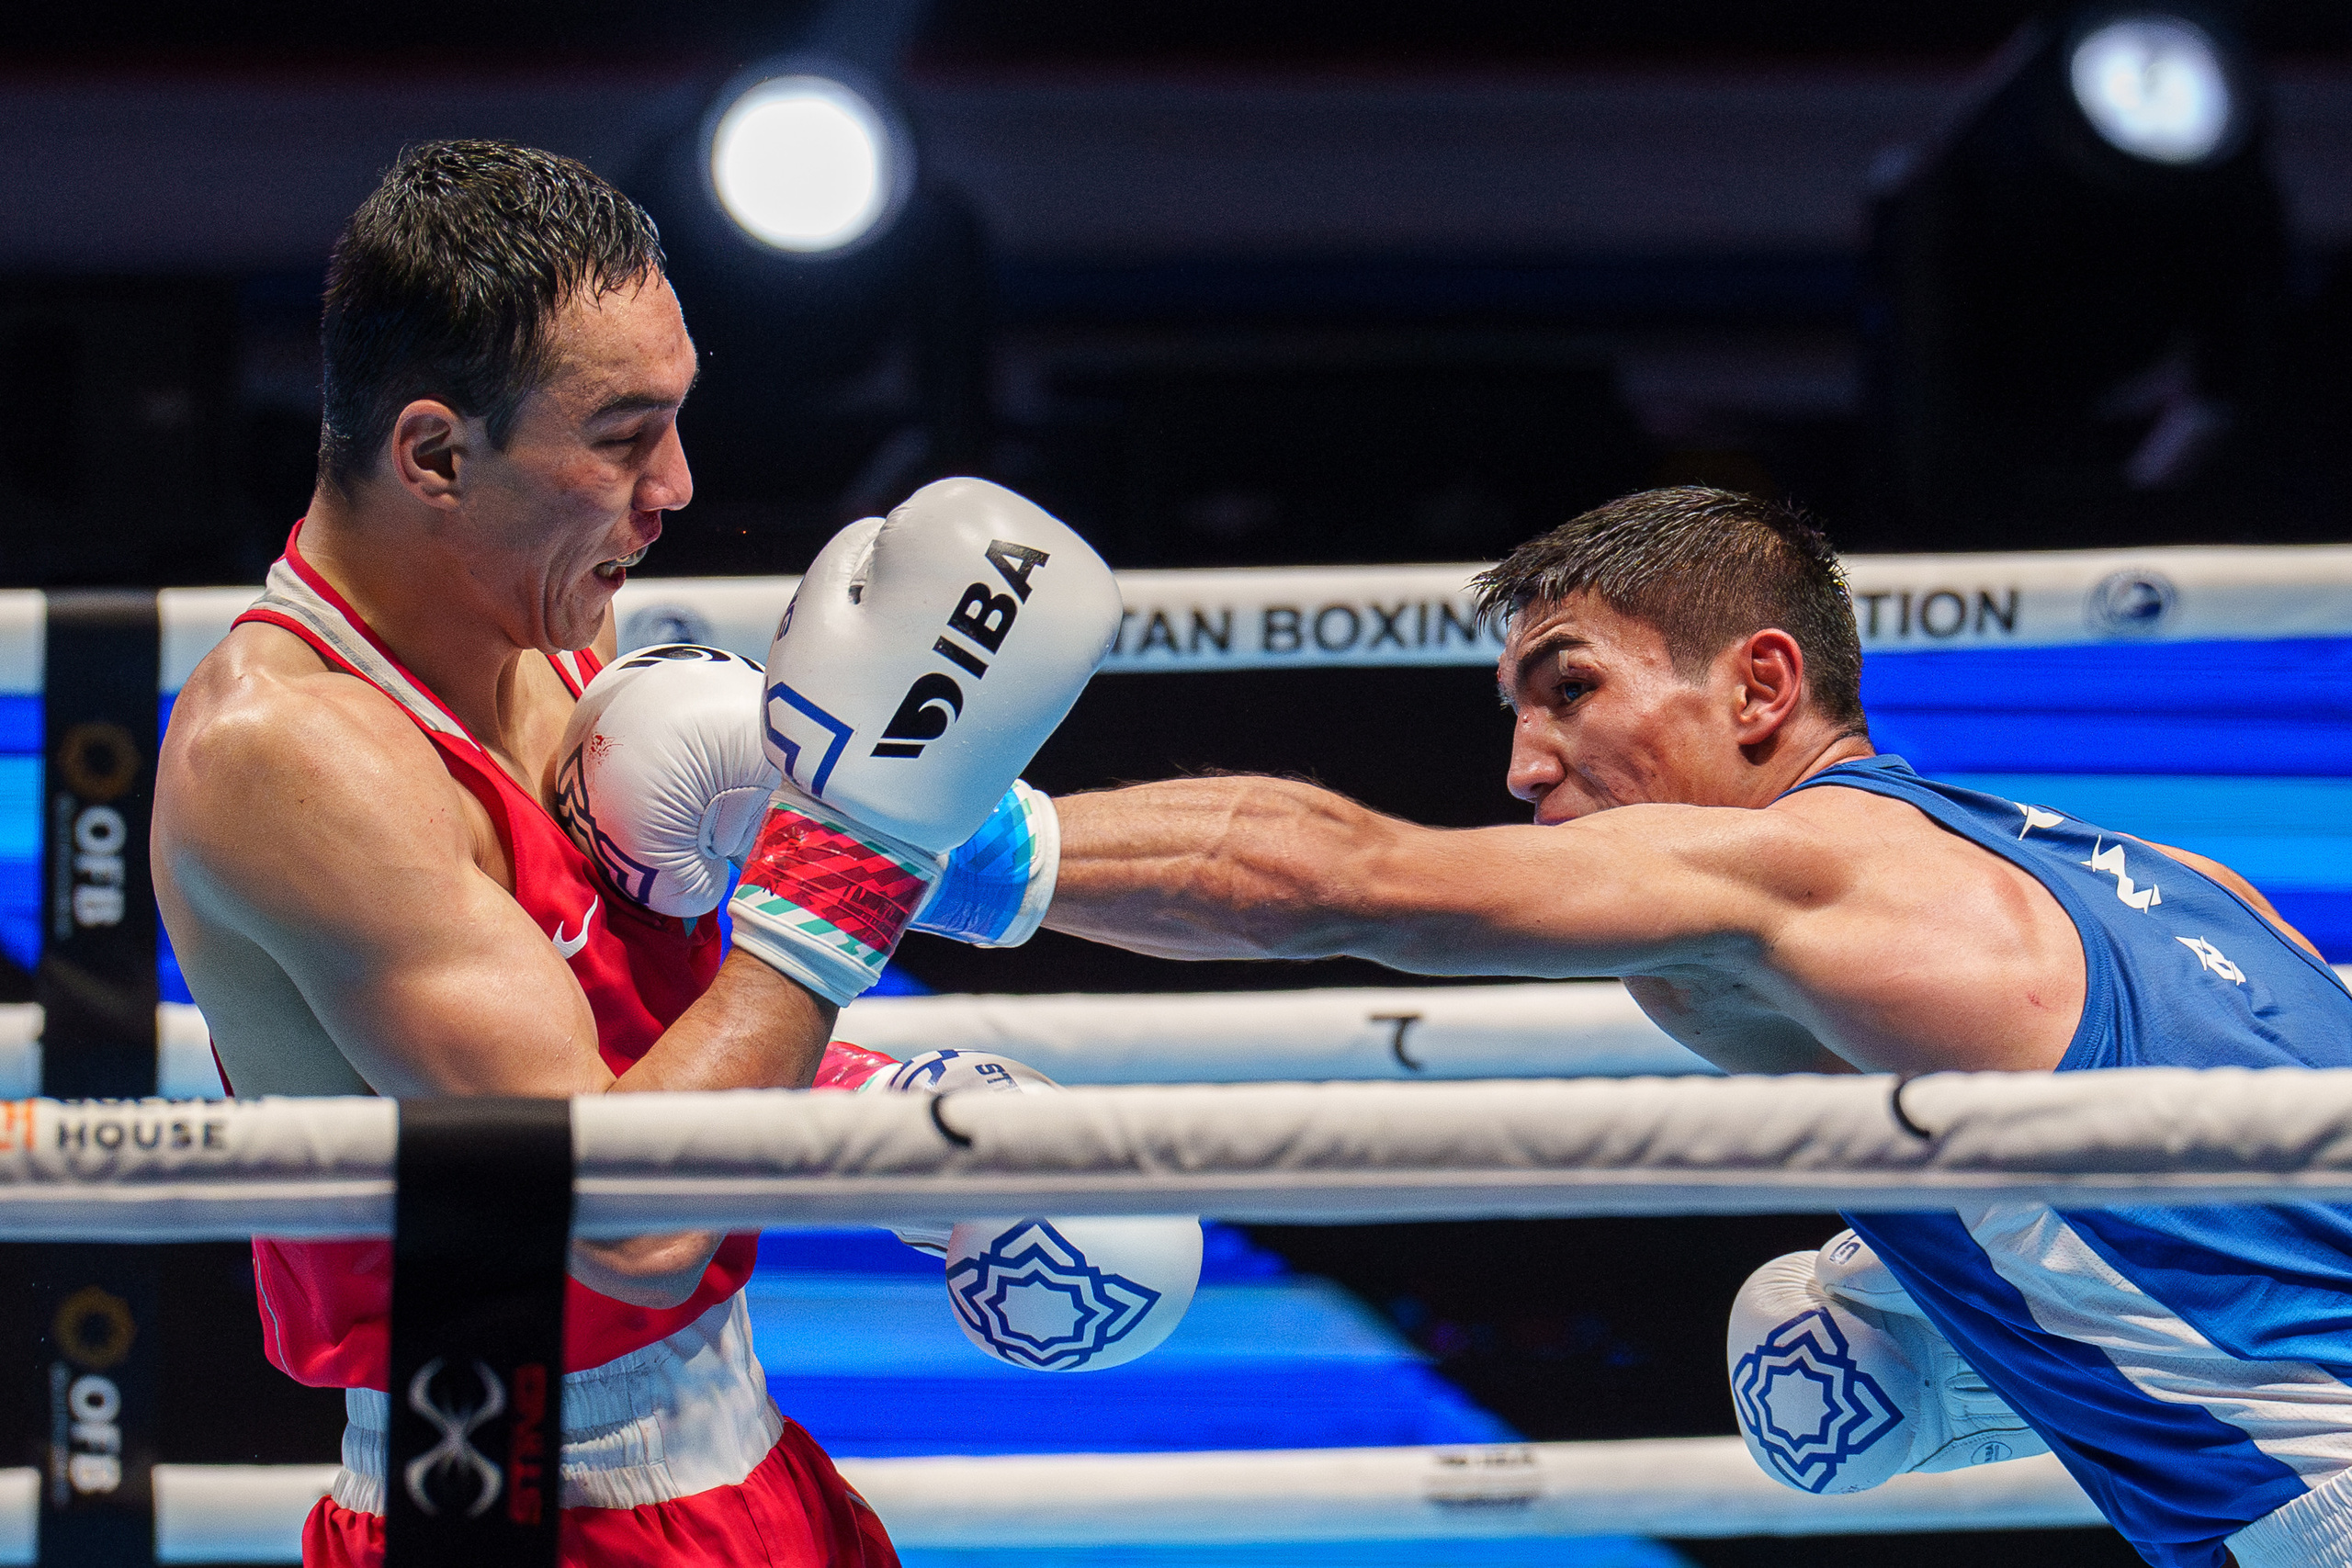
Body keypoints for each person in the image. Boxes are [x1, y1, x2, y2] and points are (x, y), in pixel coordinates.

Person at [1028, 486, 2352, 1568]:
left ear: (1759, 687)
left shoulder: (1801, 875)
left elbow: (1333, 878)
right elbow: (2226, 1236)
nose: (1524, 763)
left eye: (1571, 689)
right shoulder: (2193, 885)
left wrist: (925, 846)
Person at [153, 141, 1110, 1567]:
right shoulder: (290, 756)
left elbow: (625, 1050)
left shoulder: (554, 632)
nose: (673, 485)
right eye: (621, 433)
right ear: (433, 454)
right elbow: (628, 1219)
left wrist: (889, 1103)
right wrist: (849, 854)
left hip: (735, 1447)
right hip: (515, 1504)